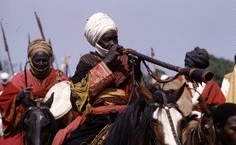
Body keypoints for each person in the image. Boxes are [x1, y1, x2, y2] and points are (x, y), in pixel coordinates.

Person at [53, 12, 140, 145]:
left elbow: (135, 93)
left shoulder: (125, 61)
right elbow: (77, 97)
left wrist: (136, 69)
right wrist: (107, 62)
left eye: (115, 38)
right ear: (96, 41)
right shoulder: (87, 61)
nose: (112, 43)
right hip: (97, 118)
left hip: (127, 114)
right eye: (107, 39)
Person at [0, 39, 69, 144]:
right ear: (30, 60)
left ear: (50, 60)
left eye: (44, 60)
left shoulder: (59, 77)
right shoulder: (20, 78)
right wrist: (19, 96)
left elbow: (69, 99)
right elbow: (4, 101)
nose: (41, 64)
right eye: (37, 60)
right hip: (27, 126)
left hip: (55, 125)